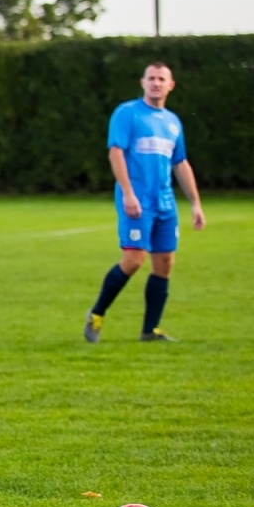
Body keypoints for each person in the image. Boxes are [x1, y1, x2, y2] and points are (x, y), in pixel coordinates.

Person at [84, 62, 206, 343]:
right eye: (151, 78)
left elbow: (180, 162)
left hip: (165, 202)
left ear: (170, 85)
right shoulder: (128, 113)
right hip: (137, 200)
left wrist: (195, 203)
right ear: (142, 82)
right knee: (134, 259)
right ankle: (97, 313)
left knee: (164, 263)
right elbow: (115, 152)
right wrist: (128, 192)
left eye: (161, 79)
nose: (156, 83)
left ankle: (150, 330)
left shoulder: (173, 122)